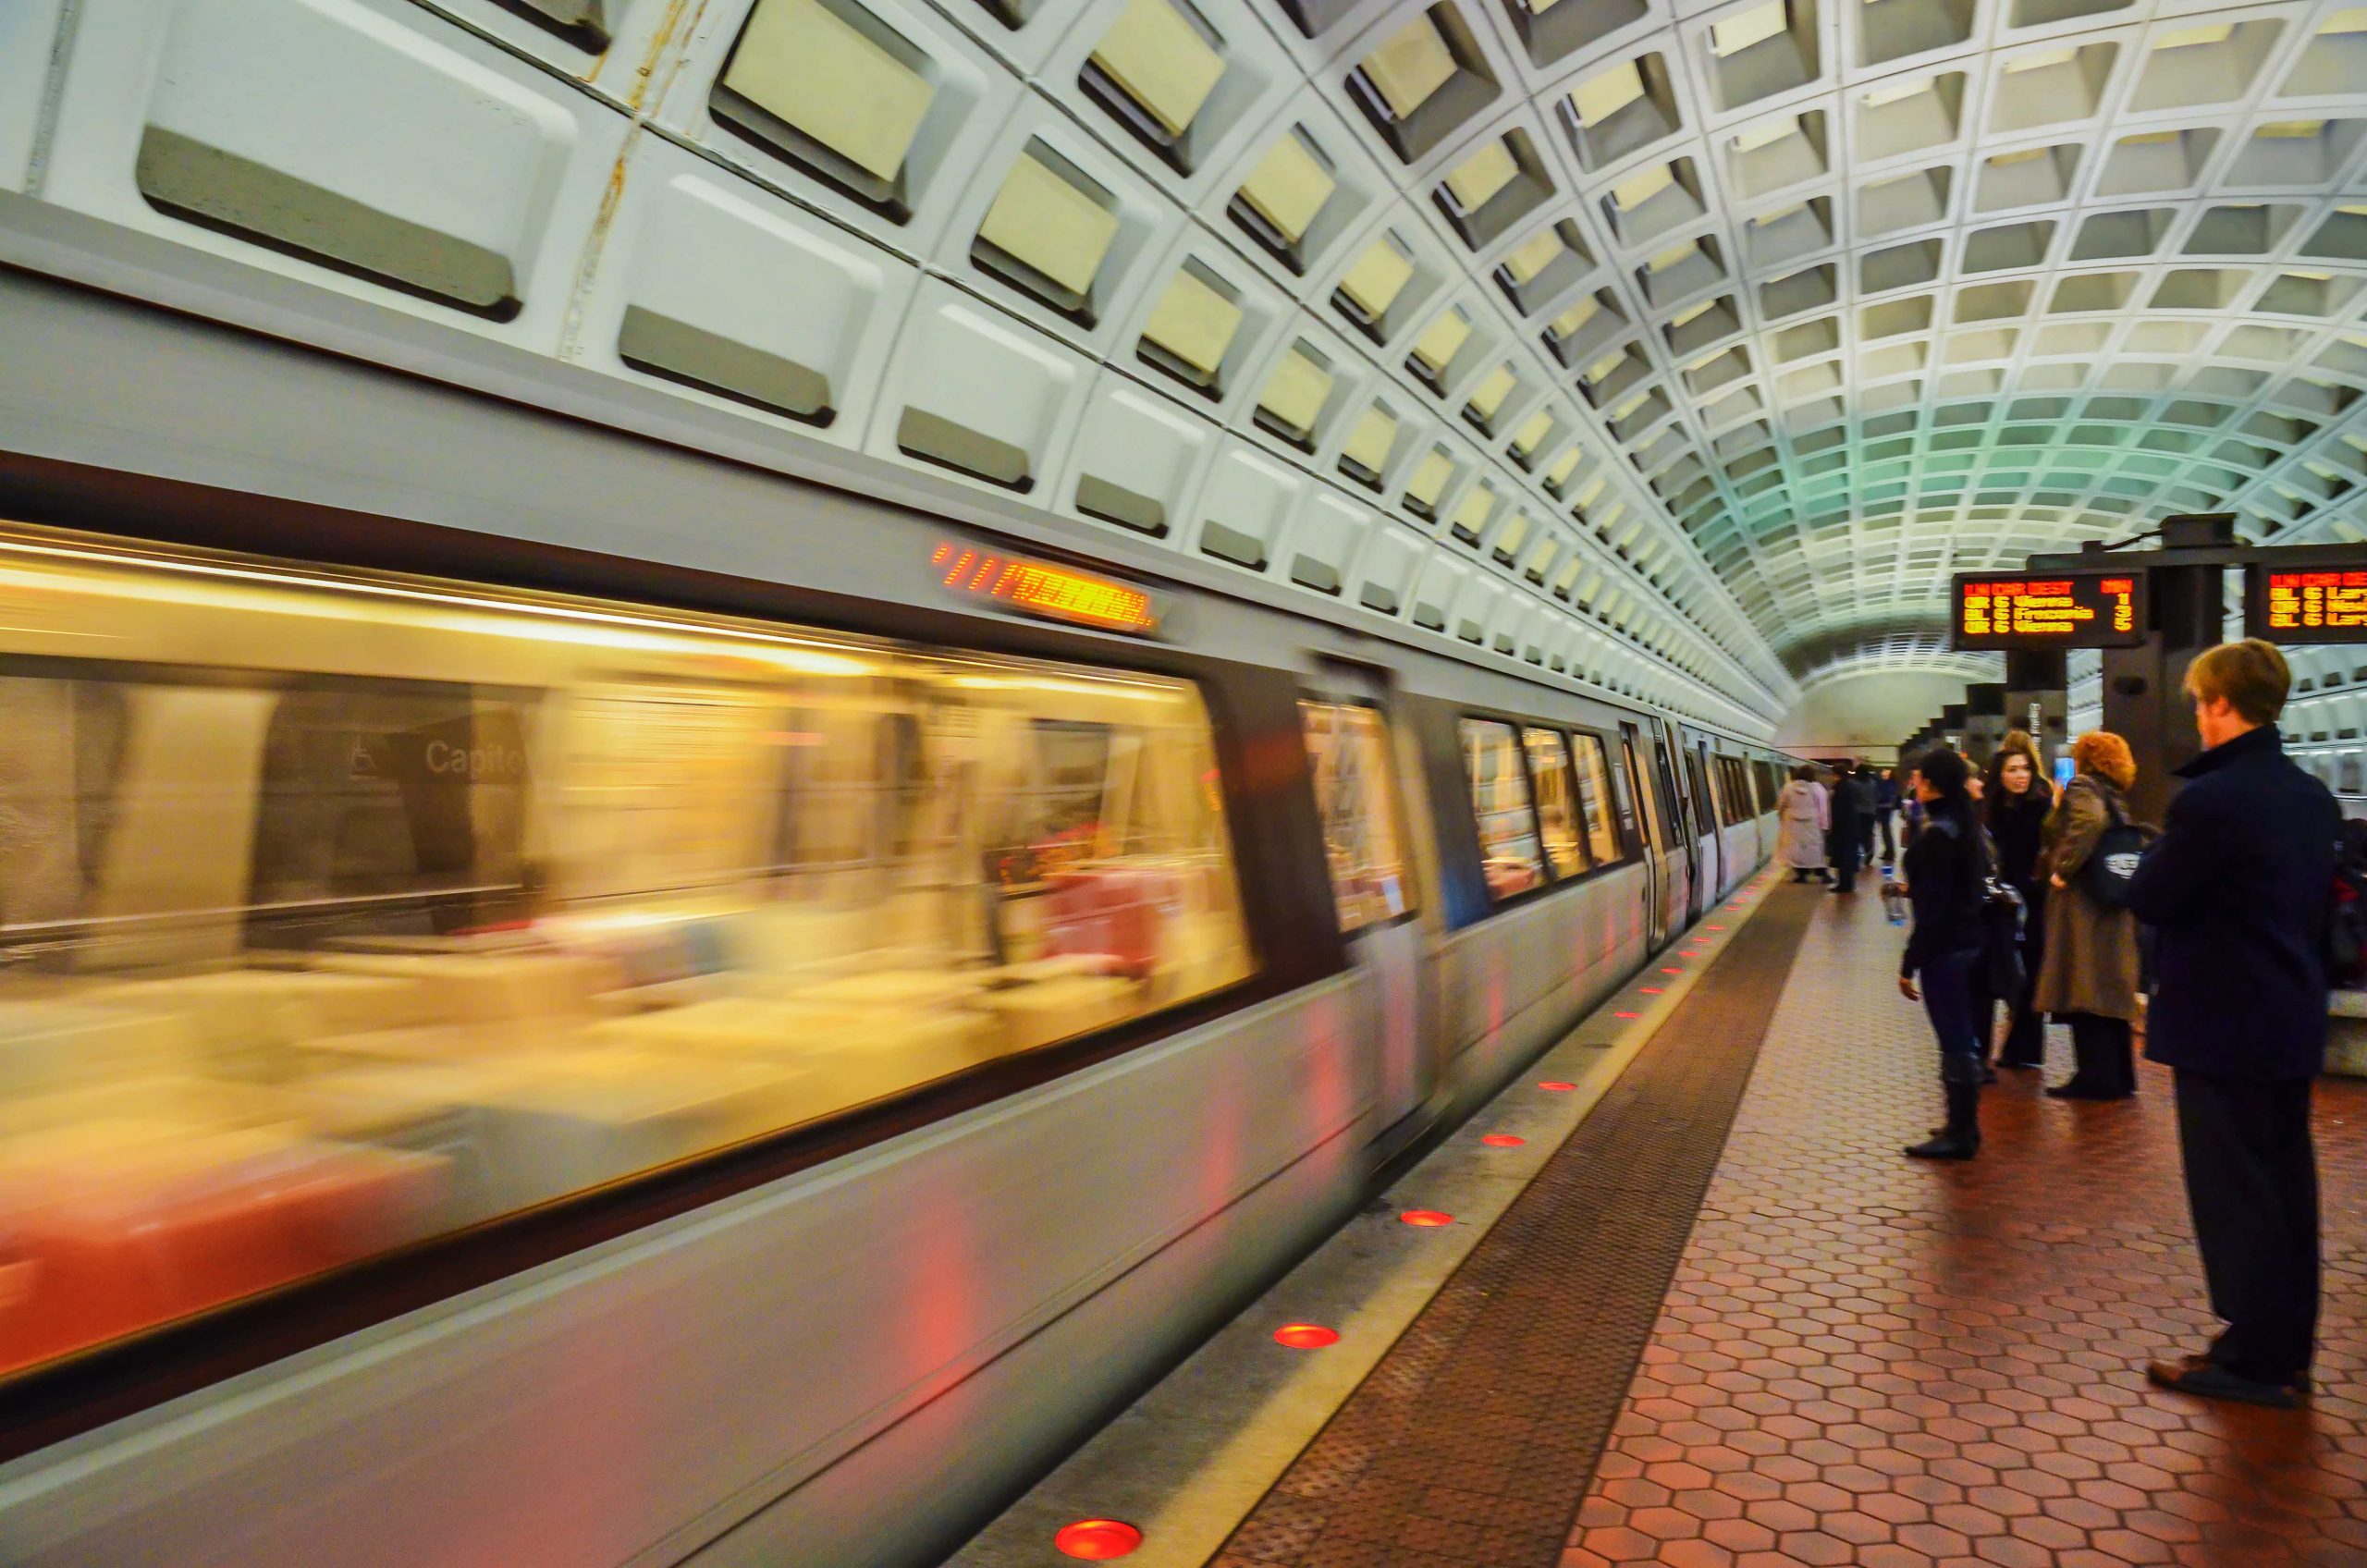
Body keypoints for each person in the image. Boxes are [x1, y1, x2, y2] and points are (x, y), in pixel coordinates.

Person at [2129, 640, 2338, 1409]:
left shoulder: (2212, 801)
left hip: (2225, 1026)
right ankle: (2281, 1347)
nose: (2197, 716)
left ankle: (2252, 1363)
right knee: (2286, 1188)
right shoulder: (2312, 796)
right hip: (2289, 1019)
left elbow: (2151, 897)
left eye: (2198, 703)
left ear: (2221, 703)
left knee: (2235, 1194)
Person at [2030, 731, 2144, 1100]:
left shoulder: (2083, 788)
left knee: (2084, 986)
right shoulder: (2115, 795)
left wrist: (2063, 868)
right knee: (2109, 992)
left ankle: (2094, 1077)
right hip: (2111, 901)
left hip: (2083, 905)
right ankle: (2118, 1076)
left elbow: (2088, 824)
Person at [1896, 747, 1987, 1159]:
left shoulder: (1937, 837)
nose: (1914, 784)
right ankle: (1960, 1124)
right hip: (1968, 944)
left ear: (1930, 785)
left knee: (1954, 1039)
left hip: (1945, 951)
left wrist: (1910, 962)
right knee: (1961, 1035)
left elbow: (1932, 912)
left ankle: (1962, 1132)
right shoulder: (1965, 827)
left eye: (1918, 777)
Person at [1982, 731, 2055, 1072]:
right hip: (2000, 900)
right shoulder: (1993, 809)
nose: (2021, 775)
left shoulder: (2040, 806)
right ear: (2001, 773)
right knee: (2002, 970)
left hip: (2032, 900)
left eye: (2024, 768)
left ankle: (2025, 1048)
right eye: (2013, 769)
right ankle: (2004, 1045)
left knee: (2028, 970)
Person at [1776, 764, 1829, 883]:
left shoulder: (1788, 787)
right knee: (1815, 849)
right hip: (1812, 824)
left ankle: (1801, 875)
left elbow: (1781, 805)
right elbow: (1822, 808)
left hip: (1792, 824)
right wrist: (1824, 825)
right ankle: (1823, 874)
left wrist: (1781, 818)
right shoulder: (1817, 788)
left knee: (1796, 849)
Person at [1827, 762, 1863, 894]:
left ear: (1837, 775)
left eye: (1833, 774)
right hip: (1850, 827)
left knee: (1844, 857)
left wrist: (1833, 828)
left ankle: (1844, 885)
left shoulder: (1841, 787)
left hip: (1844, 829)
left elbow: (1839, 810)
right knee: (1847, 857)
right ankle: (1846, 884)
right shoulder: (1849, 785)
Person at [1872, 766, 1902, 868]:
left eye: (1885, 770)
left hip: (1884, 810)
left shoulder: (1887, 784)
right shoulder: (1892, 784)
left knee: (1886, 831)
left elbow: (1882, 797)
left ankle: (1889, 852)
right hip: (1886, 810)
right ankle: (1889, 852)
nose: (1883, 772)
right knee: (1886, 831)